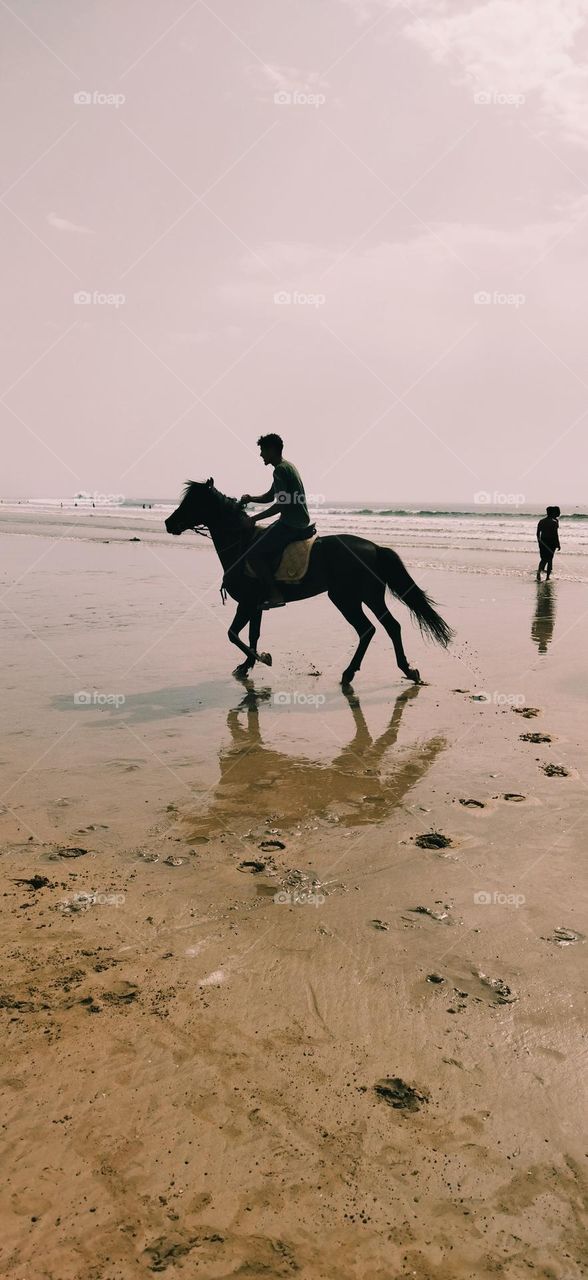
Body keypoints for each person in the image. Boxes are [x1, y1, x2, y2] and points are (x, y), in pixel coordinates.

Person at [240, 434, 313, 608]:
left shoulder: (279, 470)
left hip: (291, 524)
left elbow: (281, 504)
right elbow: (270, 496)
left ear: (272, 450)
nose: (260, 455)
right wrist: (251, 498)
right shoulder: (287, 466)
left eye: (262, 450)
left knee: (253, 553)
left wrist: (253, 519)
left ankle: (275, 594)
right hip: (297, 520)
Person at [536, 506, 561, 581]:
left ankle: (538, 573)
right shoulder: (554, 522)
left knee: (543, 559)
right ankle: (547, 577)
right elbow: (555, 534)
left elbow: (537, 533)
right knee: (550, 560)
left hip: (543, 541)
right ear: (553, 513)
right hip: (551, 542)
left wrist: (540, 542)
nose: (558, 513)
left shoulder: (541, 521)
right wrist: (558, 544)